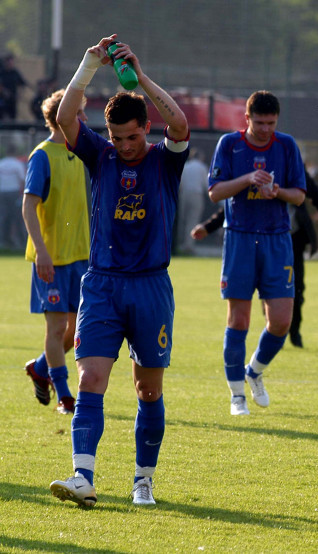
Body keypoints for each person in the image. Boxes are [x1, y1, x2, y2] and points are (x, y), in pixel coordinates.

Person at [48, 35, 189, 508]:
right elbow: (66, 118)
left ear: (144, 128)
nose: (125, 146)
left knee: (148, 389)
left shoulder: (165, 161)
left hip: (151, 285)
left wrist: (142, 77)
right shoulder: (100, 156)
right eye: (117, 138)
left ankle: (143, 479)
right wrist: (88, 65)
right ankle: (82, 477)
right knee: (90, 379)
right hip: (103, 284)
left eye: (132, 136)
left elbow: (181, 122)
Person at [208, 91, 306, 416]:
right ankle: (237, 394)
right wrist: (248, 178)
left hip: (277, 240)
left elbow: (299, 196)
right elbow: (215, 192)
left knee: (280, 321)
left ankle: (254, 370)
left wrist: (277, 191)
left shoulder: (286, 145)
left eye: (271, 123)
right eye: (259, 122)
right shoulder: (229, 145)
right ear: (246, 119)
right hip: (239, 237)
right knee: (239, 319)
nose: (265, 129)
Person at [22, 89, 90, 415]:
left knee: (76, 331)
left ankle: (39, 367)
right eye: (80, 113)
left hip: (80, 258)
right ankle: (64, 396)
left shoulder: (77, 153)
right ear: (62, 117)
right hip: (51, 260)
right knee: (56, 329)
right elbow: (28, 207)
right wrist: (42, 254)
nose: (85, 119)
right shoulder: (42, 156)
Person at [288, 168, 318, 348]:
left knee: (297, 288)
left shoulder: (290, 160)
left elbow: (315, 193)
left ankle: (294, 331)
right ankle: (275, 328)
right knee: (270, 289)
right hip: (264, 238)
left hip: (293, 238)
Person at [176, 150, 209, 254]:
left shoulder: (185, 166)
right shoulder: (202, 167)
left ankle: (178, 245)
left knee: (182, 220)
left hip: (183, 194)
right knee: (192, 220)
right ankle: (188, 246)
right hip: (196, 195)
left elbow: (179, 182)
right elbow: (206, 184)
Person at [0, 144, 27, 249]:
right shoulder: (17, 164)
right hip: (14, 193)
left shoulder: (1, 163)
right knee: (17, 218)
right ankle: (19, 242)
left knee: (3, 217)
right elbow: (22, 180)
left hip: (2, 193)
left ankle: (3, 241)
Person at [0, 54, 28, 120]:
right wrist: (3, 91)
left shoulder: (15, 73)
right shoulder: (1, 72)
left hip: (12, 100)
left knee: (12, 117)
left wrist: (20, 94)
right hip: (2, 99)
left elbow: (22, 84)